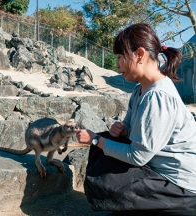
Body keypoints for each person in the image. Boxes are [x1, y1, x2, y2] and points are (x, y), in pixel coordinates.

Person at [76, 23, 196, 215]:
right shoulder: (139, 90)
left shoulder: (158, 96)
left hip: (180, 189)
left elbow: (137, 156)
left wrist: (95, 139)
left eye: (120, 57)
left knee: (102, 145)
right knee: (109, 141)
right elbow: (134, 135)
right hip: (158, 170)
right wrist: (123, 131)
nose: (116, 64)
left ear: (139, 55)